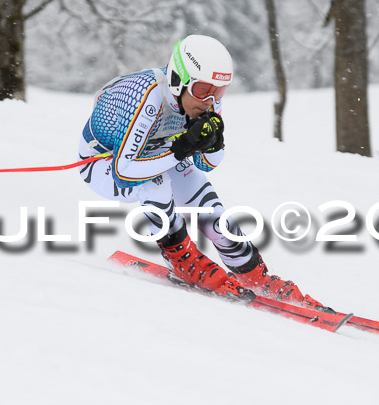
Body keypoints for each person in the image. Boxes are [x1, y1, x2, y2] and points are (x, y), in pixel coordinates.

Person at [78, 34, 325, 309]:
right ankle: (182, 259)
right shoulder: (147, 97)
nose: (210, 99)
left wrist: (212, 142)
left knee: (202, 197)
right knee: (155, 184)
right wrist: (180, 149)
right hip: (103, 163)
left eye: (219, 91)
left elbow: (206, 164)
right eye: (203, 89)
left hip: (154, 155)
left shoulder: (201, 98)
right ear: (177, 80)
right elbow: (124, 172)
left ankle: (254, 275)